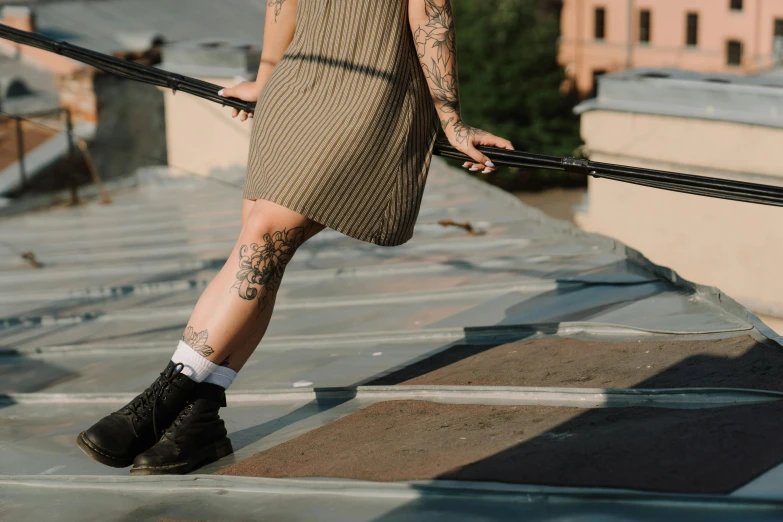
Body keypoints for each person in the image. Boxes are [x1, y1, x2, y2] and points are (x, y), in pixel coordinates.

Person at [76, 0, 514, 475]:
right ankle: (199, 422)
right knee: (258, 252)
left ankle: (163, 396)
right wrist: (265, 79)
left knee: (263, 239)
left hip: (370, 96)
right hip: (297, 86)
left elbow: (431, 14)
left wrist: (449, 119)